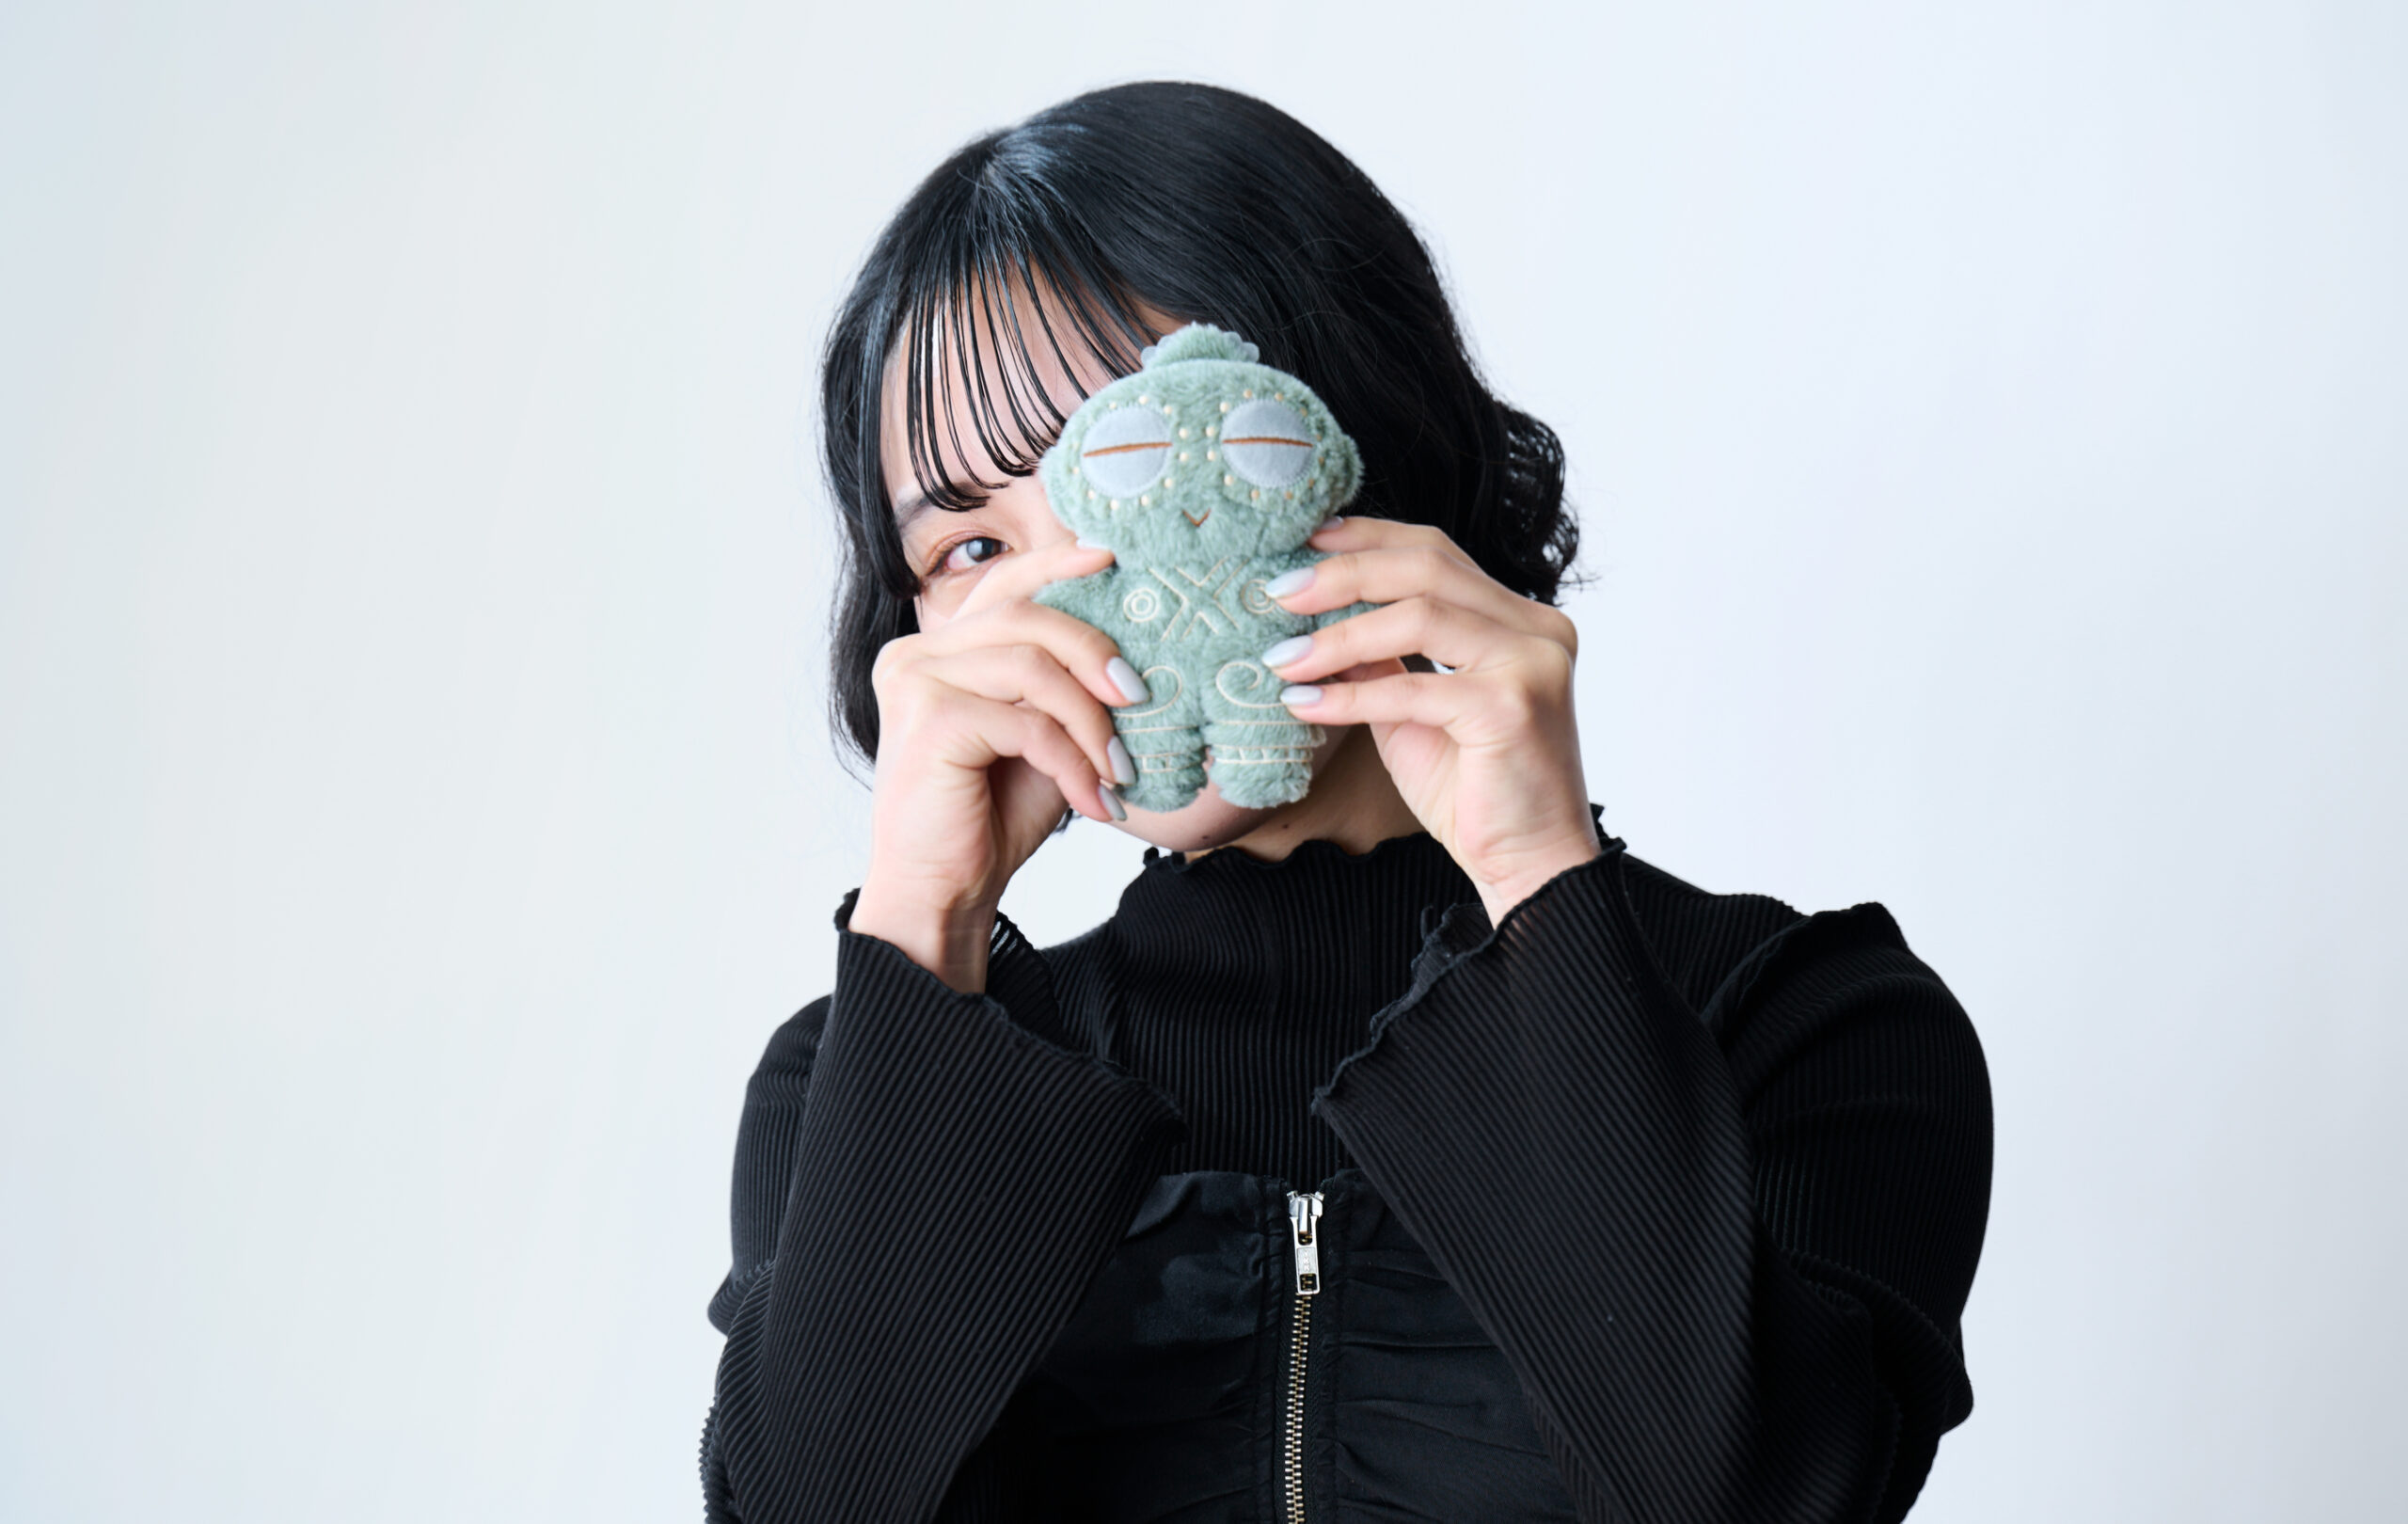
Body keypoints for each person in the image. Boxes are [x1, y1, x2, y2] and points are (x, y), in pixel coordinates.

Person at [700, 81, 1992, 1524]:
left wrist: (1537, 877)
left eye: (1132, 466)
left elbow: (1753, 1495)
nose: (1075, 597)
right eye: (972, 548)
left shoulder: (1805, 1020)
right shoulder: (845, 1089)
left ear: (1346, 439)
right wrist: (922, 933)